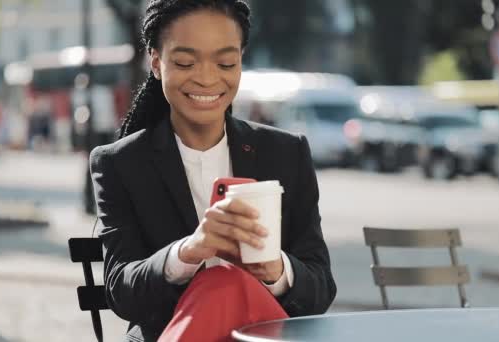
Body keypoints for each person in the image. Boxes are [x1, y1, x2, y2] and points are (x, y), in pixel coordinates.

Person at [89, 1, 336, 341]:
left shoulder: (285, 154)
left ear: (241, 61)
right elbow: (122, 293)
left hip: (262, 333)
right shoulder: (121, 163)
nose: (207, 78)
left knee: (229, 283)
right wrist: (187, 253)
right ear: (157, 62)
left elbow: (320, 289)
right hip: (170, 332)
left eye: (225, 63)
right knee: (220, 281)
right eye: (186, 62)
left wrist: (275, 269)